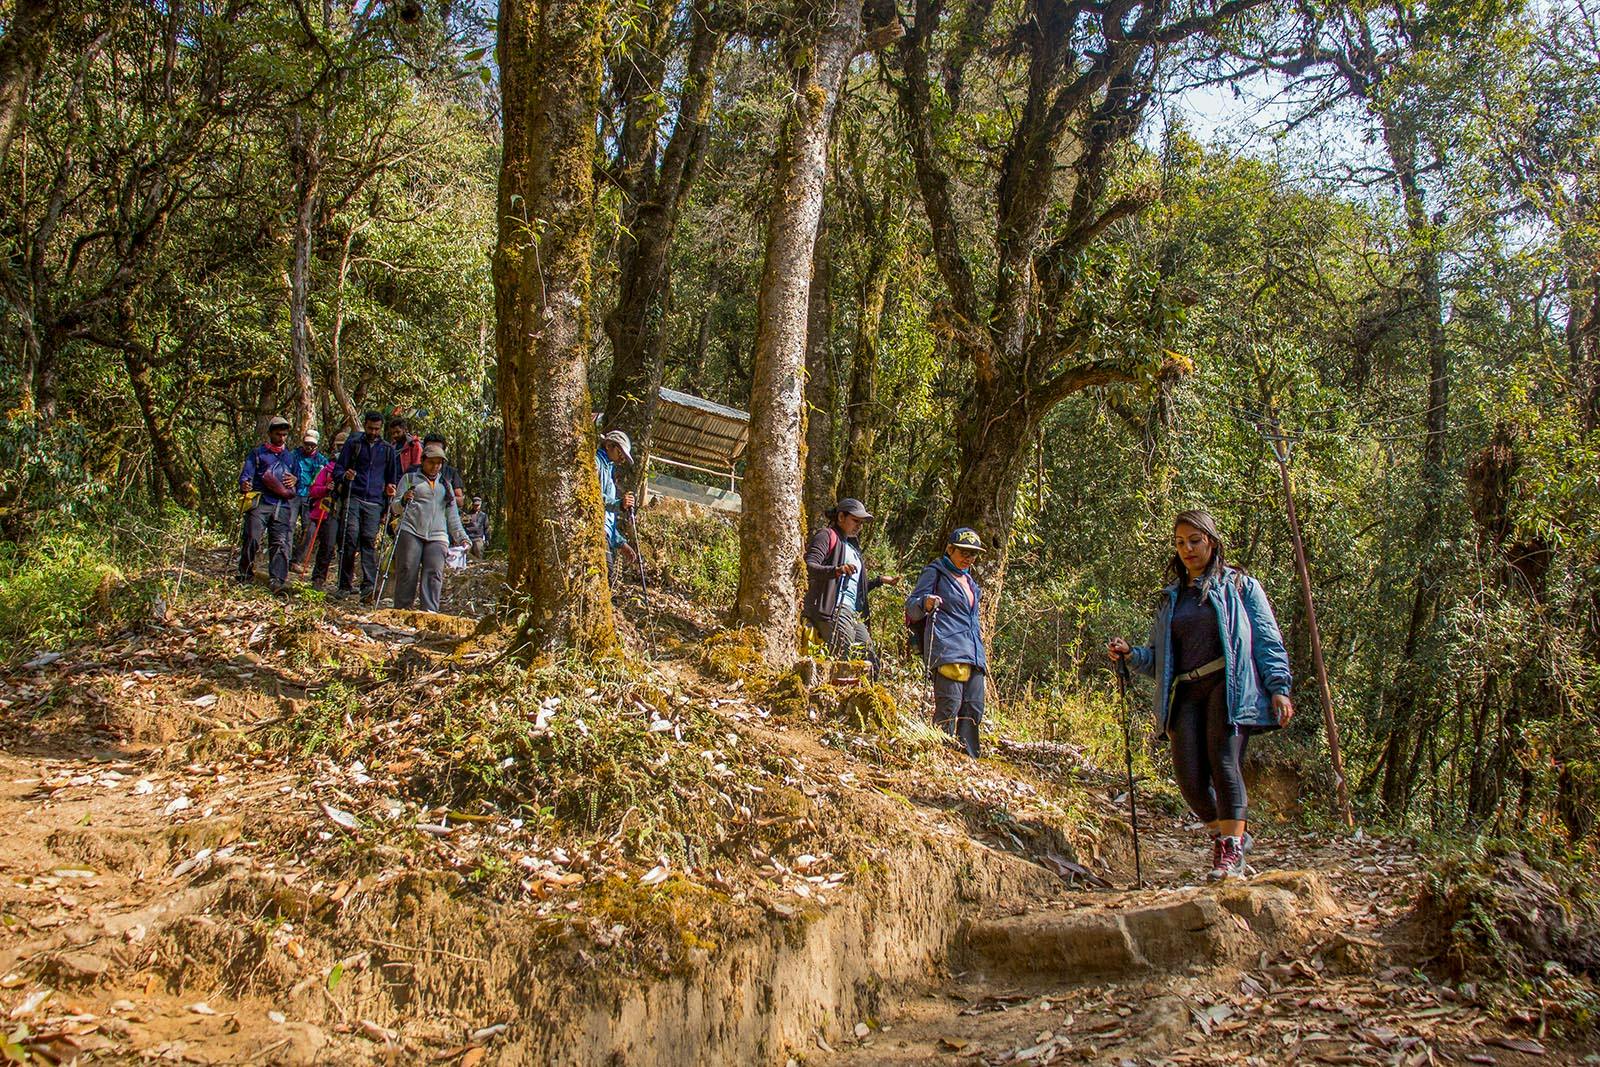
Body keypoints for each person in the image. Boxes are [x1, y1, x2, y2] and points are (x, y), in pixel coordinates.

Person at [1107, 509, 1295, 882]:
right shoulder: (1172, 599)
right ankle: (1230, 836)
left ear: (1211, 541)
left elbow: (1267, 641)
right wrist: (1131, 655)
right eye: (1180, 543)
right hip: (1187, 691)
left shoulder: (1241, 587)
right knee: (1190, 780)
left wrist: (1279, 689)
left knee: (1224, 765)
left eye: (1194, 540)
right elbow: (1160, 659)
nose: (1187, 549)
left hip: (1229, 687)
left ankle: (1230, 850)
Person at [905, 528, 990, 758]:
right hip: (947, 648)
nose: (968, 558)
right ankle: (940, 755)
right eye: (963, 552)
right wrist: (926, 602)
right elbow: (911, 606)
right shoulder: (935, 572)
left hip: (973, 653)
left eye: (973, 554)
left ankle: (968, 758)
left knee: (974, 707)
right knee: (949, 705)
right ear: (950, 549)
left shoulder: (970, 582)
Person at [802, 497, 900, 674]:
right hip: (832, 609)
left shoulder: (853, 548)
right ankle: (835, 697)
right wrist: (836, 571)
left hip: (852, 613)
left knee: (869, 659)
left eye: (861, 523)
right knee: (844, 657)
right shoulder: (827, 536)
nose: (859, 526)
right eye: (855, 520)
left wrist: (879, 581)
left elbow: (855, 588)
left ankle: (863, 699)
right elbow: (808, 566)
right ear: (841, 517)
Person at [389, 443, 470, 612]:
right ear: (423, 461)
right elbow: (395, 508)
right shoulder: (410, 479)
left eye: (439, 463)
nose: (435, 466)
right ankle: (402, 611)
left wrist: (463, 538)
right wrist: (403, 499)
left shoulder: (446, 485)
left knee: (434, 574)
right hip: (410, 530)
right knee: (407, 570)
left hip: (438, 535)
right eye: (431, 462)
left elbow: (453, 517)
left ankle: (430, 613)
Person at [331, 411, 399, 599]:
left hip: (375, 502)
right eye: (370, 428)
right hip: (353, 497)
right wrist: (346, 476)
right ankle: (344, 585)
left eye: (377, 429)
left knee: (369, 541)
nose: (373, 432)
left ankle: (368, 586)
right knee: (349, 539)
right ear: (365, 425)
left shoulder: (387, 450)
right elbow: (338, 470)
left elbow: (391, 479)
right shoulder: (353, 444)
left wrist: (388, 502)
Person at [236, 415, 300, 594]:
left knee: (280, 542)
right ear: (270, 433)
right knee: (252, 538)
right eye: (278, 434)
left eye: (285, 435)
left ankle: (277, 580)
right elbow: (246, 475)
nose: (282, 438)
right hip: (261, 502)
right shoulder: (258, 454)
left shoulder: (290, 457)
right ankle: (245, 574)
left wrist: (295, 480)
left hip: (283, 505)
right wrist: (245, 484)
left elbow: (299, 482)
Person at [302, 430, 348, 589]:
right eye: (339, 446)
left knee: (347, 548)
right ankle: (318, 578)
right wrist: (325, 489)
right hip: (330, 510)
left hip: (349, 511)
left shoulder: (357, 467)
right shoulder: (327, 468)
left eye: (344, 446)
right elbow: (313, 490)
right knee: (327, 545)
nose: (341, 450)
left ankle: (345, 583)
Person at [596, 429, 638, 570]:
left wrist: (621, 543)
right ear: (609, 445)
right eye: (620, 452)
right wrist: (619, 504)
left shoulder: (609, 470)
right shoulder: (596, 463)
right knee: (606, 570)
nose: (622, 459)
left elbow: (609, 518)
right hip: (596, 528)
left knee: (607, 572)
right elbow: (594, 497)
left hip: (605, 532)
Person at [289, 428, 328, 567]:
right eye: (307, 444)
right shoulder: (293, 455)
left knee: (309, 530)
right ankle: (284, 557)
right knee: (289, 525)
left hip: (310, 497)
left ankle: (297, 560)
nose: (309, 447)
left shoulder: (322, 460)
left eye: (312, 445)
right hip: (293, 494)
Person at [409, 433, 466, 509]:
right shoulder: (411, 472)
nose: (434, 452)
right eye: (430, 448)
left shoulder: (450, 472)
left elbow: (460, 501)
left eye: (437, 449)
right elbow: (398, 503)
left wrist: (441, 498)